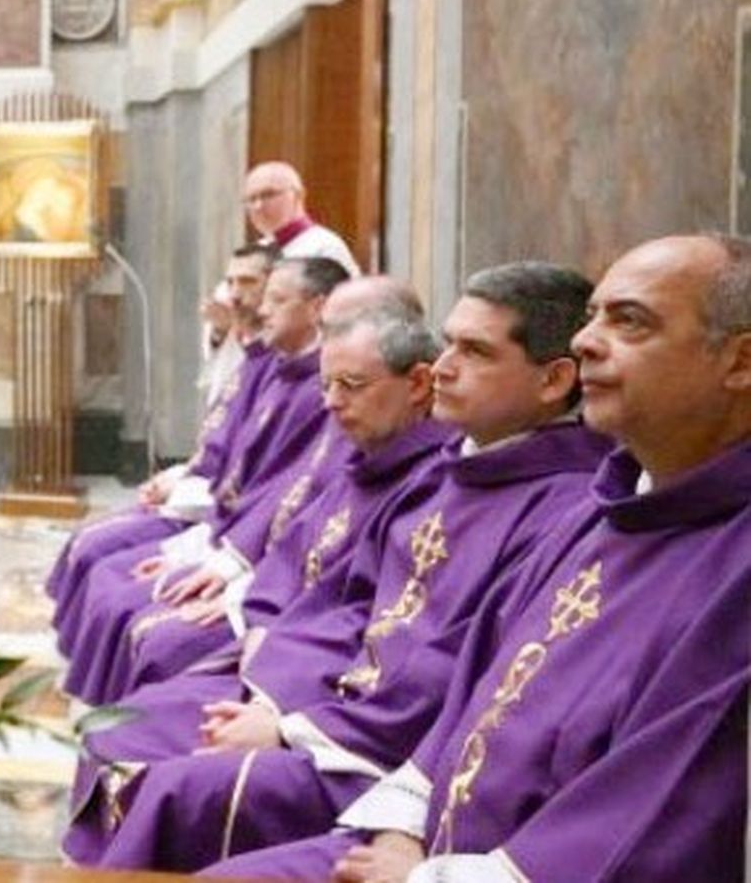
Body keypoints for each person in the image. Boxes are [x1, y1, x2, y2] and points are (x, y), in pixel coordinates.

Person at [215, 233, 751, 883]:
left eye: (629, 322)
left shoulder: (730, 569)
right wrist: (407, 827)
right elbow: (470, 693)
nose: (585, 343)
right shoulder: (594, 516)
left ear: (740, 362)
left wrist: (425, 876)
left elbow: (654, 816)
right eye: (591, 319)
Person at [74, 262, 613, 873]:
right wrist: (279, 697)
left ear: (553, 380)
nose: (442, 367)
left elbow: (458, 670)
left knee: (173, 789)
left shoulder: (565, 507)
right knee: (118, 731)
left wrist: (295, 728)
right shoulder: (447, 468)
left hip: (375, 756)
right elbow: (344, 595)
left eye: (475, 351)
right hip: (329, 702)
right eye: (449, 341)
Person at [63, 306, 451, 863]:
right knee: (118, 726)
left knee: (163, 753)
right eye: (327, 384)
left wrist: (287, 714)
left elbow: (392, 631)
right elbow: (298, 540)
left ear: (416, 382)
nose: (331, 402)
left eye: (351, 385)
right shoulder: (374, 453)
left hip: (348, 728)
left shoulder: (434, 481)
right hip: (293, 670)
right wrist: (253, 610)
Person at [58, 257, 350, 705]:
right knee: (101, 569)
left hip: (274, 596)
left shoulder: (326, 402)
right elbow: (250, 472)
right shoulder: (288, 371)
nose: (337, 398)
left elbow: (297, 514)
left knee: (143, 623)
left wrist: (230, 578)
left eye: (273, 296)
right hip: (231, 539)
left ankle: (117, 724)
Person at [244, 160, 359, 275]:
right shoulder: (254, 252)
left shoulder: (325, 248)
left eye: (268, 194)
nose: (258, 206)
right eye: (251, 199)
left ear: (298, 196)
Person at [199, 245, 275, 410]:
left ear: (275, 283)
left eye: (247, 281)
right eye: (230, 282)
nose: (235, 294)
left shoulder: (290, 337)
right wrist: (220, 330)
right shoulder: (229, 312)